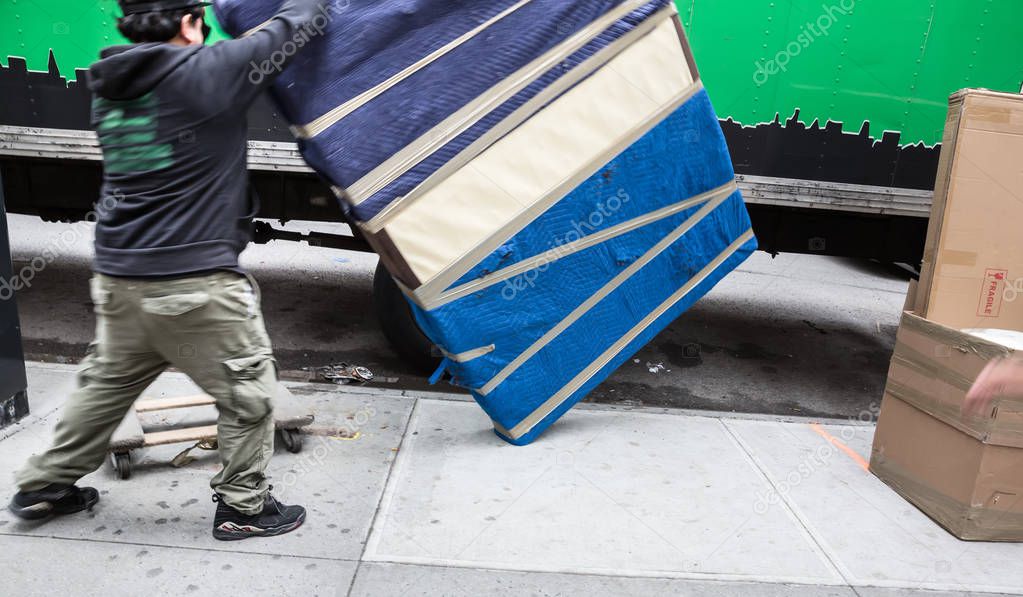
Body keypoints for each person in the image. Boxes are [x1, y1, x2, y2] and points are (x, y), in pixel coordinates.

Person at [8, 0, 326, 541]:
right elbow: (301, 21)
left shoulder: (109, 84)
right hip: (192, 284)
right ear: (187, 23)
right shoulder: (205, 72)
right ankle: (244, 507)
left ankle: (43, 485)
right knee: (249, 395)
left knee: (104, 389)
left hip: (119, 276)